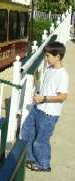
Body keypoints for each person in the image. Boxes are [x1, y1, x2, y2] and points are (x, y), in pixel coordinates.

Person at [22, 41, 69, 172]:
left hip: (49, 115)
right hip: (38, 108)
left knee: (40, 141)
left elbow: (63, 96)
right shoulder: (49, 68)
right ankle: (31, 158)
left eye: (48, 56)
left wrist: (45, 98)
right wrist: (39, 94)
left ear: (57, 56)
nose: (46, 58)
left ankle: (44, 165)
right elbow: (46, 86)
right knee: (27, 131)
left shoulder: (63, 75)